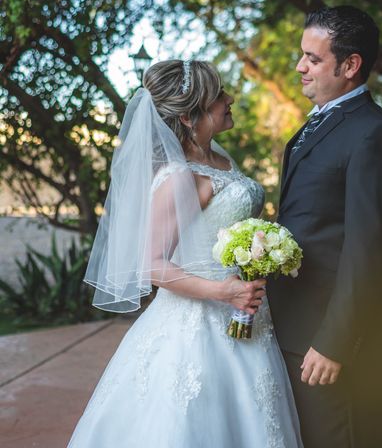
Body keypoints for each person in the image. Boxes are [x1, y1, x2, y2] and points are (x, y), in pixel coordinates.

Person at [68, 60, 303, 448]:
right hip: (199, 324)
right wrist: (223, 293)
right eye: (218, 97)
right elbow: (150, 264)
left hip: (247, 315)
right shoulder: (181, 177)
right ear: (191, 116)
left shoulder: (221, 161)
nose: (229, 99)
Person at [267, 6, 382, 448]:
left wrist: (334, 342)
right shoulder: (318, 125)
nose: (299, 67)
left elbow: (369, 249)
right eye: (301, 55)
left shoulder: (374, 133)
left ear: (350, 66)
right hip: (297, 331)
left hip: (339, 345)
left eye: (313, 58)